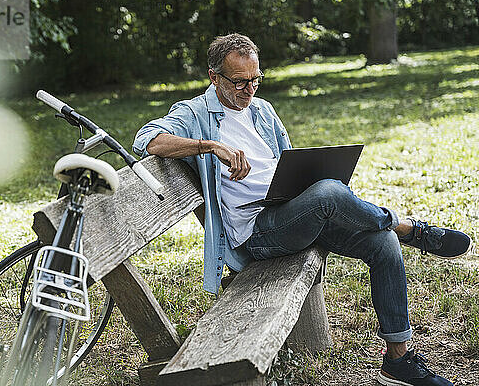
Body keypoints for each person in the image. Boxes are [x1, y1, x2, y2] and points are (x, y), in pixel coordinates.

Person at [132, 33, 472, 386]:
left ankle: (397, 360)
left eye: (255, 79)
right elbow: (147, 140)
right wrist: (211, 146)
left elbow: (289, 163)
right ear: (214, 77)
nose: (250, 90)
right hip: (258, 232)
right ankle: (408, 228)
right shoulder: (193, 114)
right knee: (328, 193)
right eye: (239, 82)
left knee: (381, 244)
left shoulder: (262, 109)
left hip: (292, 212)